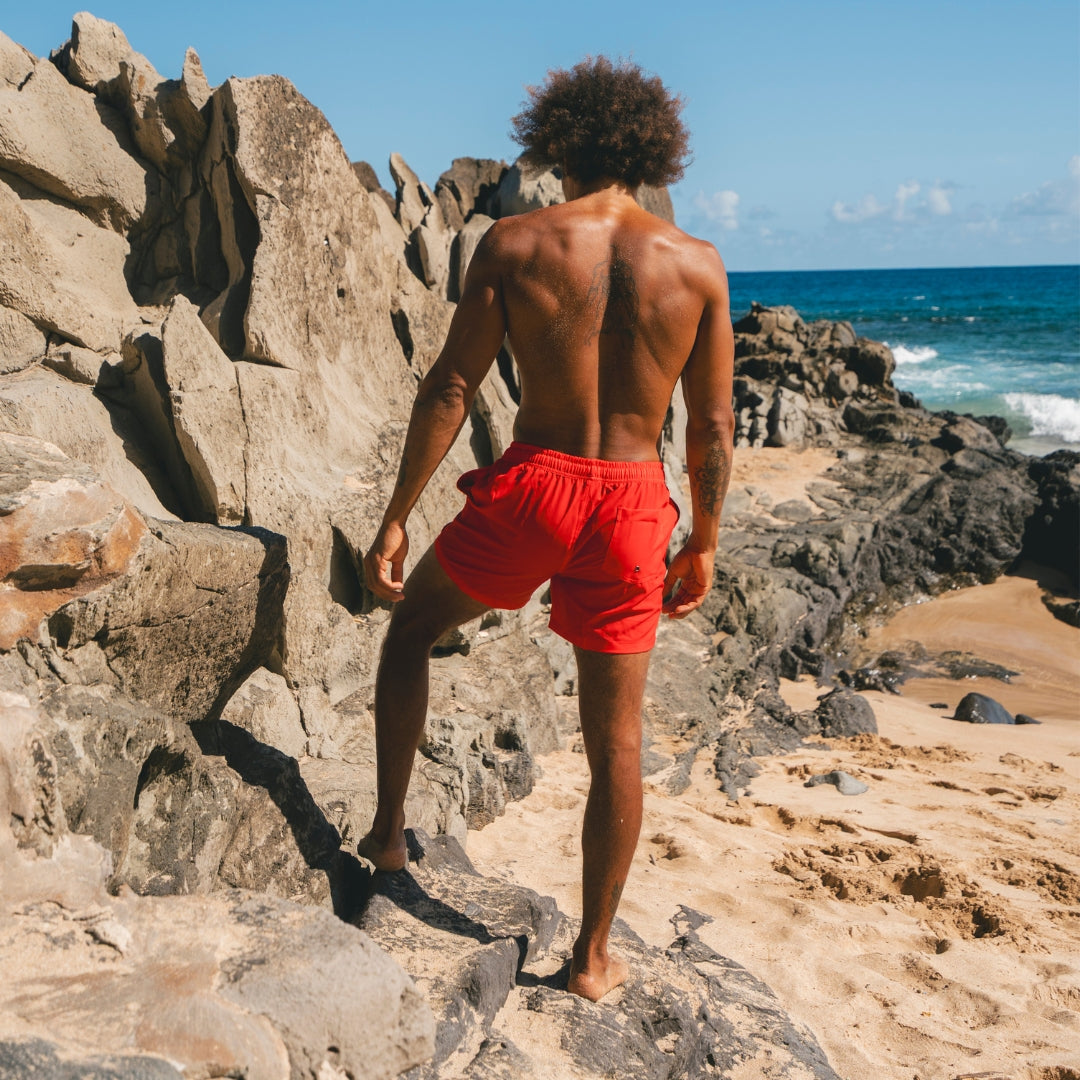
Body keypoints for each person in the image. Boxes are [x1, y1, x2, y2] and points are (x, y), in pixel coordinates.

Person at [359, 56, 734, 1003]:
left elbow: (452, 385)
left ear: (558, 142)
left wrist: (398, 517)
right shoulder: (696, 265)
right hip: (633, 504)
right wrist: (705, 540)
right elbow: (714, 426)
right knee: (618, 741)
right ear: (653, 152)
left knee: (411, 629)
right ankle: (593, 960)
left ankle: (390, 836)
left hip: (534, 488)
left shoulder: (516, 242)